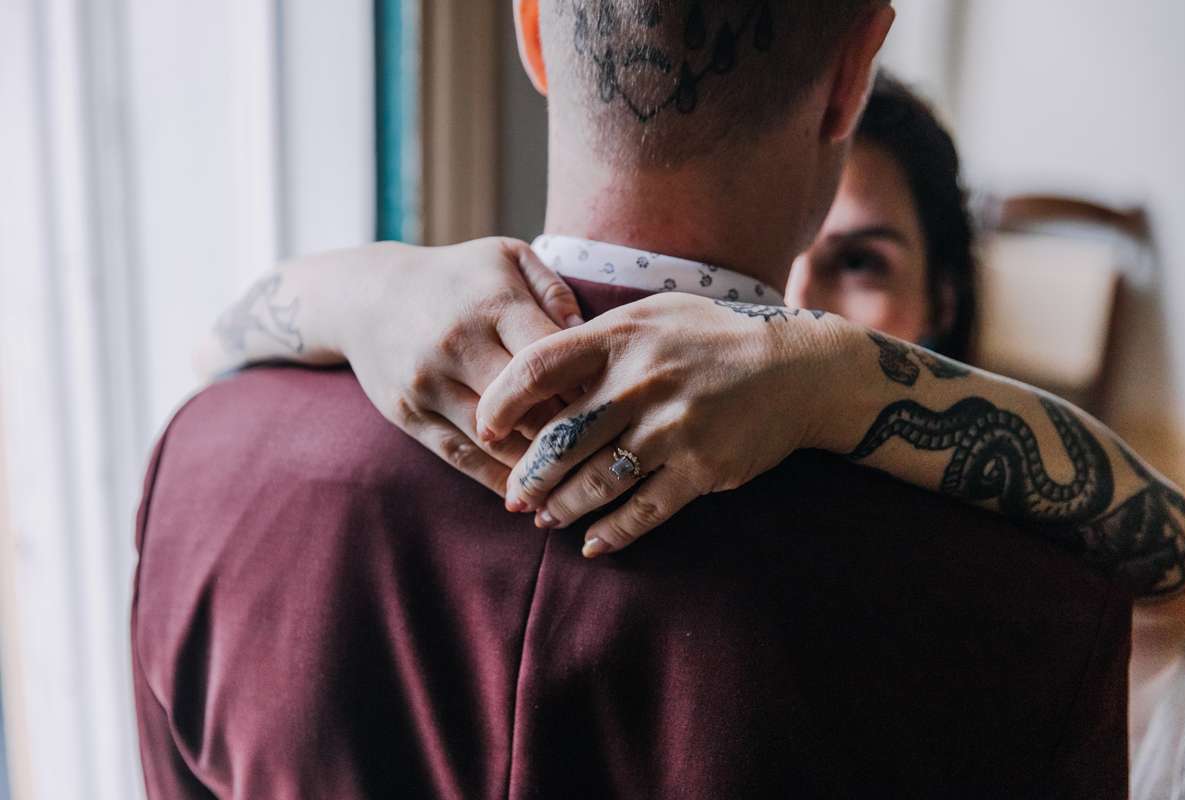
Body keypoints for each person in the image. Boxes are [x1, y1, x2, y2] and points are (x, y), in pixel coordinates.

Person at [136, 3, 1133, 797]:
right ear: (850, 77)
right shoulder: (1035, 612)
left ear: (533, 30)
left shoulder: (205, 459)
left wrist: (348, 283)